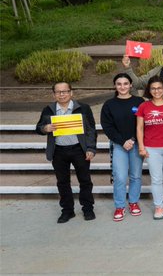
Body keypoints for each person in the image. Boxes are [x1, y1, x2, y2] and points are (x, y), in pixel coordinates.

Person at [38, 82, 98, 224]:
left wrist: (91, 148)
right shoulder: (48, 109)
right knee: (62, 182)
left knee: (85, 180)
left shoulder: (83, 108)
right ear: (54, 94)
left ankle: (88, 208)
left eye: (65, 91)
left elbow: (91, 130)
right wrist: (45, 128)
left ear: (71, 93)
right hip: (58, 151)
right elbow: (38, 127)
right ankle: (67, 210)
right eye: (58, 92)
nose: (62, 94)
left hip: (79, 149)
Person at [102, 74, 145, 221]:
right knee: (120, 177)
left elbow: (143, 123)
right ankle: (119, 206)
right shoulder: (109, 104)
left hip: (135, 144)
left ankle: (133, 203)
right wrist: (122, 141)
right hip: (119, 145)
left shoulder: (139, 102)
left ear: (131, 85)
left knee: (135, 176)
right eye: (119, 84)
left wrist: (132, 139)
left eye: (125, 83)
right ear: (115, 86)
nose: (122, 87)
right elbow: (107, 126)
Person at [137, 77, 163, 219]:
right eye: (153, 88)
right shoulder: (144, 106)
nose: (157, 91)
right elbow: (139, 128)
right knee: (156, 179)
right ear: (149, 90)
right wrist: (142, 147)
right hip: (151, 147)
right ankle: (159, 206)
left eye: (159, 88)